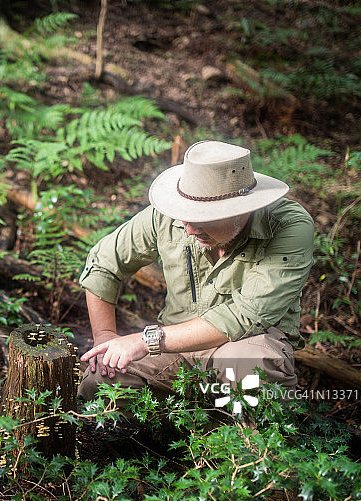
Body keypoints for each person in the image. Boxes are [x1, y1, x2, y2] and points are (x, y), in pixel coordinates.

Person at [78, 140, 314, 407]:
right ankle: (176, 437)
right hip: (174, 349)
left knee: (252, 371)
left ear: (243, 208)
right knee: (100, 385)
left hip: (245, 344)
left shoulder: (288, 227)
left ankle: (248, 445)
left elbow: (246, 316)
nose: (188, 228)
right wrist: (105, 337)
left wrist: (146, 341)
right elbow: (104, 262)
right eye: (184, 215)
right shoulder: (167, 216)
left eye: (202, 217)